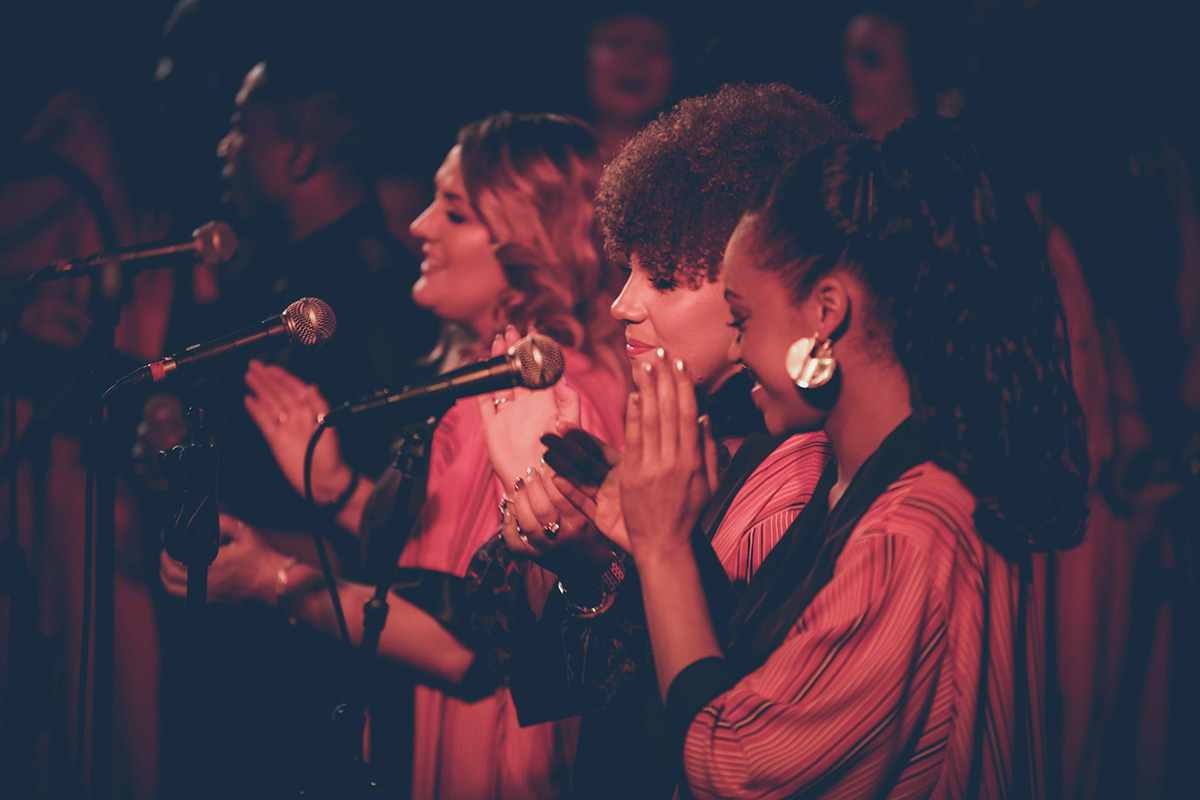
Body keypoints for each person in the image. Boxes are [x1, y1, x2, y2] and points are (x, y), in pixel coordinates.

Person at [574, 118, 1091, 798]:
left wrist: (666, 547)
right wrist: (652, 539)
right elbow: (748, 670)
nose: (736, 345)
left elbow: (735, 765)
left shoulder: (911, 529)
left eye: (742, 315)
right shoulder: (860, 487)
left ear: (826, 314)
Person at [162, 111, 628, 799]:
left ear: (529, 242)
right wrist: (341, 492)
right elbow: (448, 576)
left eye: (456, 211)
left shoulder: (547, 400)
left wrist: (273, 579)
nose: (418, 225)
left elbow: (467, 650)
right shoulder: (487, 378)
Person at [471, 84, 851, 799]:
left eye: (665, 278)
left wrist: (629, 548)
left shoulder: (798, 483)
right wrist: (594, 557)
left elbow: (700, 736)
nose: (624, 304)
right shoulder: (722, 444)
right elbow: (579, 689)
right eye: (628, 270)